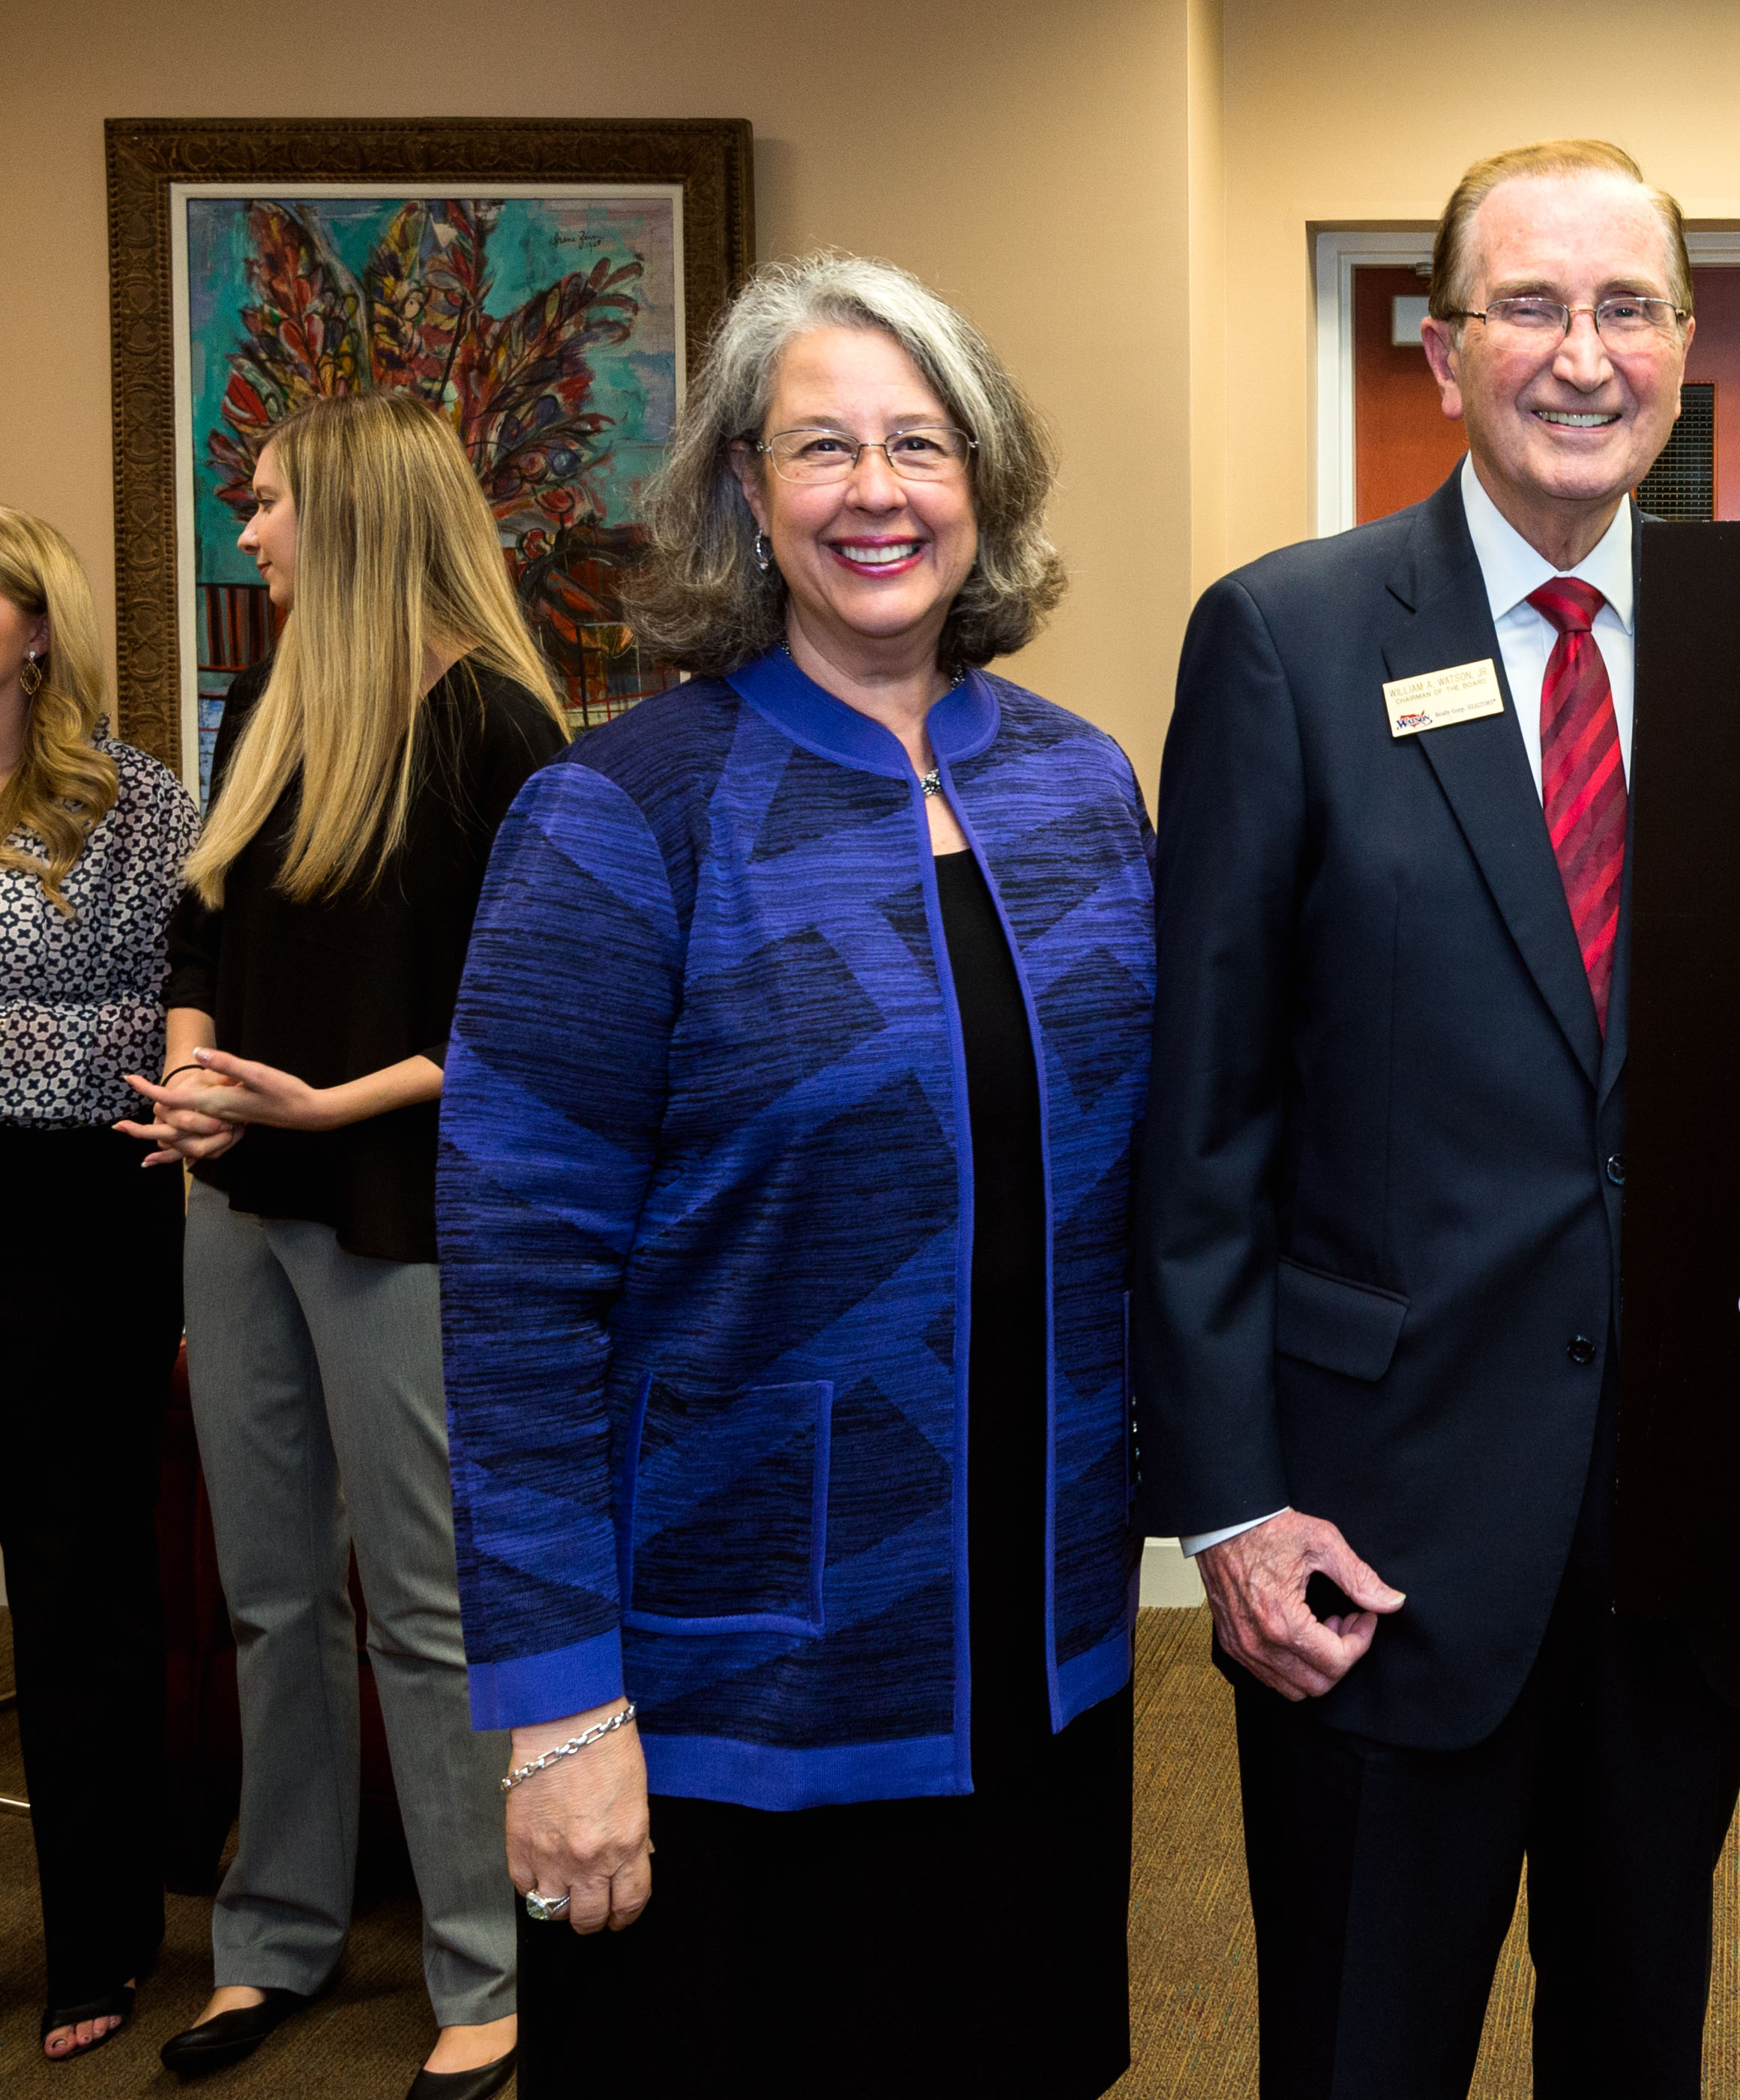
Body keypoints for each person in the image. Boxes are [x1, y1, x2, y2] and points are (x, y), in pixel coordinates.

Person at [436, 250, 1152, 2098]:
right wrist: (553, 1711)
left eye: (920, 443)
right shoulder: (625, 813)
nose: (876, 489)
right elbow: (514, 1300)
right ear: (746, 494)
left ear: (984, 483)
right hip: (731, 1699)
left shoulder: (1084, 792)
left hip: (1040, 1665)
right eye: (819, 445)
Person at [1134, 138, 1740, 2096]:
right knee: (1360, 2053)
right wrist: (1234, 1512)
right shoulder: (1289, 639)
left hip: (1676, 1538)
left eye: (1626, 307)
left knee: (1637, 2041)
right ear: (1441, 349)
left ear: (1681, 345)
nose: (1579, 355)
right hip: (1373, 1537)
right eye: (1530, 305)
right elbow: (1204, 1123)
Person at [120, 390, 569, 2098]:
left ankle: (483, 1968)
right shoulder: (270, 700)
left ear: (361, 512)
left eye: (269, 503)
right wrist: (192, 1081)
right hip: (235, 1203)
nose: (249, 531)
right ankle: (275, 1942)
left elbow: (520, 1019)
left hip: (398, 1214)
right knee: (265, 1594)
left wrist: (316, 1107)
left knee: (428, 1606)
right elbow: (201, 924)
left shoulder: (501, 730)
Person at [0, 508, 194, 2063]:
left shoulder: (140, 807)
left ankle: (102, 1943)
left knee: (79, 1589)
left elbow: (162, 1015)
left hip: (83, 1213)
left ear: (36, 632)